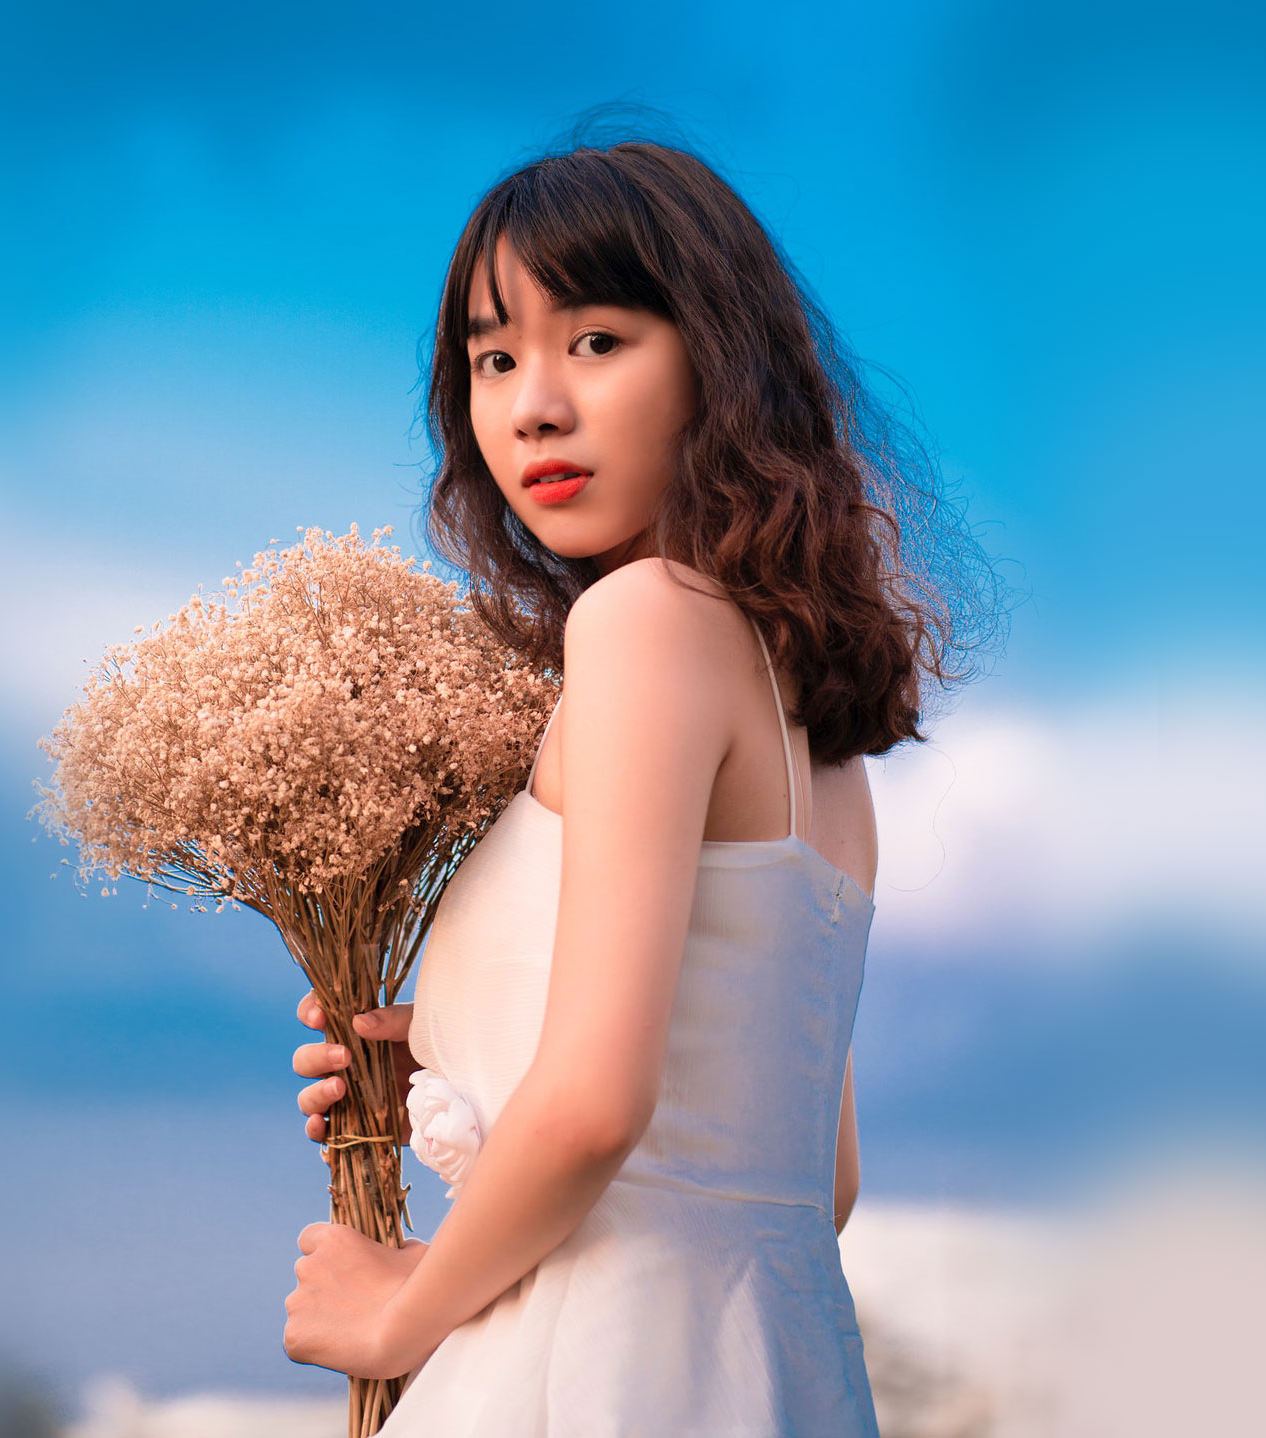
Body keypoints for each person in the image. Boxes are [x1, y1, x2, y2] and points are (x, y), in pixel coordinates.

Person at [280, 135, 1000, 1433]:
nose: (532, 405)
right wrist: (451, 1061)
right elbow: (808, 1171)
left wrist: (399, 1307)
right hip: (762, 1364)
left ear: (718, 362)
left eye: (596, 340)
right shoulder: (816, 729)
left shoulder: (641, 624)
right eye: (493, 358)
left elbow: (601, 1102)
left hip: (591, 1370)